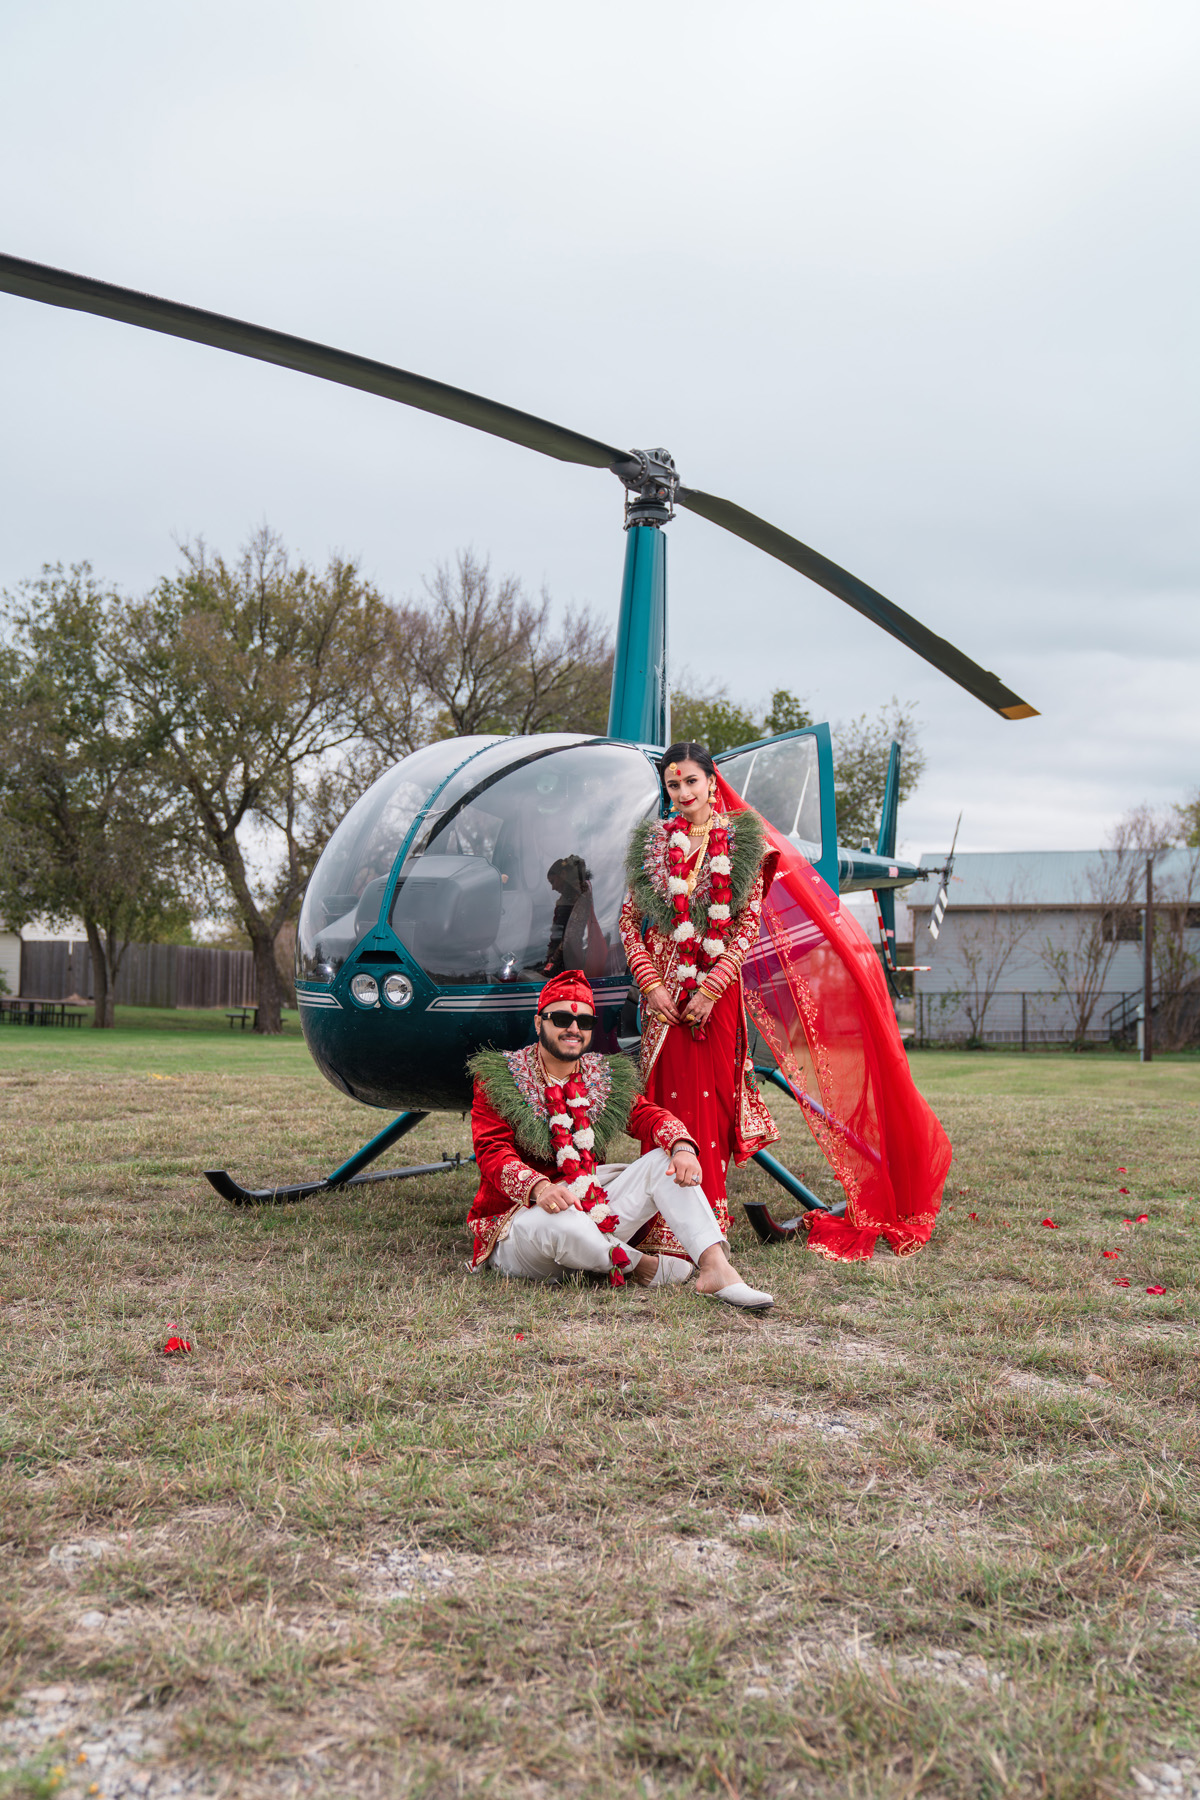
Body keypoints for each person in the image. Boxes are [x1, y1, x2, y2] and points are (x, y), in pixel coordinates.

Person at [466, 969, 773, 1310]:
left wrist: (682, 1147)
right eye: (562, 1018)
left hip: (591, 1208)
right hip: (522, 1225)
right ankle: (641, 1267)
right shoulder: (500, 1076)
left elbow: (646, 1115)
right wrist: (540, 1189)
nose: (573, 1028)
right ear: (539, 1022)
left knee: (662, 1162)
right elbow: (492, 1150)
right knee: (565, 1224)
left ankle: (716, 1268)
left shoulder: (599, 1074)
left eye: (584, 1021)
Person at [619, 742, 780, 1254]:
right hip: (662, 993)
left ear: (713, 781)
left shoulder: (742, 841)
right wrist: (651, 983)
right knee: (665, 1099)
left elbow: (749, 922)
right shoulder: (650, 848)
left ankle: (705, 1230)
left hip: (716, 995)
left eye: (692, 781)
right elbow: (628, 923)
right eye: (674, 784)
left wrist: (711, 988)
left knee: (708, 1105)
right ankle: (658, 1226)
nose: (684, 792)